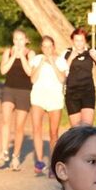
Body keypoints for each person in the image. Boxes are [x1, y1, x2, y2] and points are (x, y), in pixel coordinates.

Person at [0, 29, 36, 171]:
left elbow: (30, 72)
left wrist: (22, 56)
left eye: (21, 39)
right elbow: (3, 71)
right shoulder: (8, 52)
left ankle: (16, 157)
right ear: (13, 41)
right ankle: (4, 151)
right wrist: (14, 56)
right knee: (5, 120)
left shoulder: (30, 53)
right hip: (9, 89)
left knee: (19, 127)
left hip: (24, 92)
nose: (18, 42)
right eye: (16, 39)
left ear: (26, 40)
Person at [29, 36, 67, 176]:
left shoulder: (60, 60)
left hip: (54, 98)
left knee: (53, 133)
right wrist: (41, 64)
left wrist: (52, 62)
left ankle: (53, 164)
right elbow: (32, 79)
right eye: (44, 47)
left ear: (54, 47)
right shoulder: (37, 59)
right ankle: (39, 161)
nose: (47, 49)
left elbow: (62, 79)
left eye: (50, 46)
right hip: (38, 97)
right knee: (37, 129)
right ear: (41, 47)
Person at [61, 28, 96, 127]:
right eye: (76, 40)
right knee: (76, 129)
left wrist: (94, 57)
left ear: (85, 41)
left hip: (87, 91)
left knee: (87, 127)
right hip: (72, 92)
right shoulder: (67, 53)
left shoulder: (91, 52)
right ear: (72, 41)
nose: (79, 43)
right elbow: (62, 72)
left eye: (81, 40)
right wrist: (71, 58)